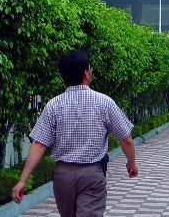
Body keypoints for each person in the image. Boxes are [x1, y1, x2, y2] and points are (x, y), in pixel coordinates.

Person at [11, 50, 138, 216]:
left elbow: (39, 144)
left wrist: (23, 180)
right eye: (90, 68)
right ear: (86, 73)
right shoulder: (104, 102)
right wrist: (131, 163)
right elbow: (126, 139)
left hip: (62, 176)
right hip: (92, 174)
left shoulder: (53, 105)